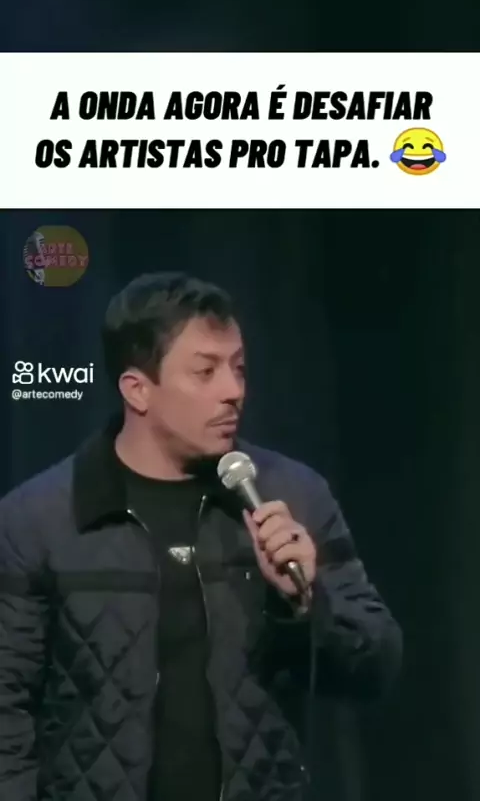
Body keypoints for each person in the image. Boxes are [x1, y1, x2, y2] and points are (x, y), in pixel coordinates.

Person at [0, 271, 402, 801]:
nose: (233, 391)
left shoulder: (291, 496)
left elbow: (376, 666)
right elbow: (7, 706)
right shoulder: (40, 516)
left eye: (239, 368)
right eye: (206, 371)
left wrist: (306, 605)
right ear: (137, 390)